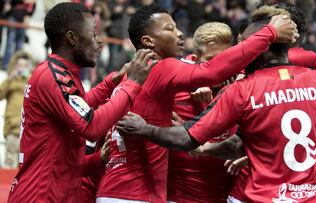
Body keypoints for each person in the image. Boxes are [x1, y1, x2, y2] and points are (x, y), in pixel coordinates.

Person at [117, 5, 316, 203]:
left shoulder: (242, 89)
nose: (239, 53)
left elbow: (185, 137)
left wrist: (144, 129)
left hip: (255, 197)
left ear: (260, 47)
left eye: (244, 44)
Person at [96, 3, 298, 203]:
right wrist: (269, 33)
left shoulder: (135, 74)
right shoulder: (165, 69)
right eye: (170, 28)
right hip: (139, 193)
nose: (180, 33)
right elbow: (212, 71)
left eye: (176, 26)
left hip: (124, 189)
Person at [7, 2, 156, 202]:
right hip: (40, 196)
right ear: (72, 38)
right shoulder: (52, 76)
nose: (99, 41)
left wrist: (112, 81)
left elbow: (82, 106)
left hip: (53, 192)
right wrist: (132, 84)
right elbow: (91, 125)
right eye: (94, 34)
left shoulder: (60, 72)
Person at [168, 22, 237, 203]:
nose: (219, 67)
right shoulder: (176, 84)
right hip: (180, 196)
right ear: (195, 57)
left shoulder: (241, 83)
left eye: (224, 59)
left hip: (226, 195)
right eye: (211, 60)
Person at [0, 50, 32, 169]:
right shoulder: (10, 81)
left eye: (25, 66)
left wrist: (30, 78)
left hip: (26, 129)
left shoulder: (31, 80)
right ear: (15, 66)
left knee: (23, 164)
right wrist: (9, 79)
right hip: (12, 126)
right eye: (19, 65)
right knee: (9, 160)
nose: (22, 68)